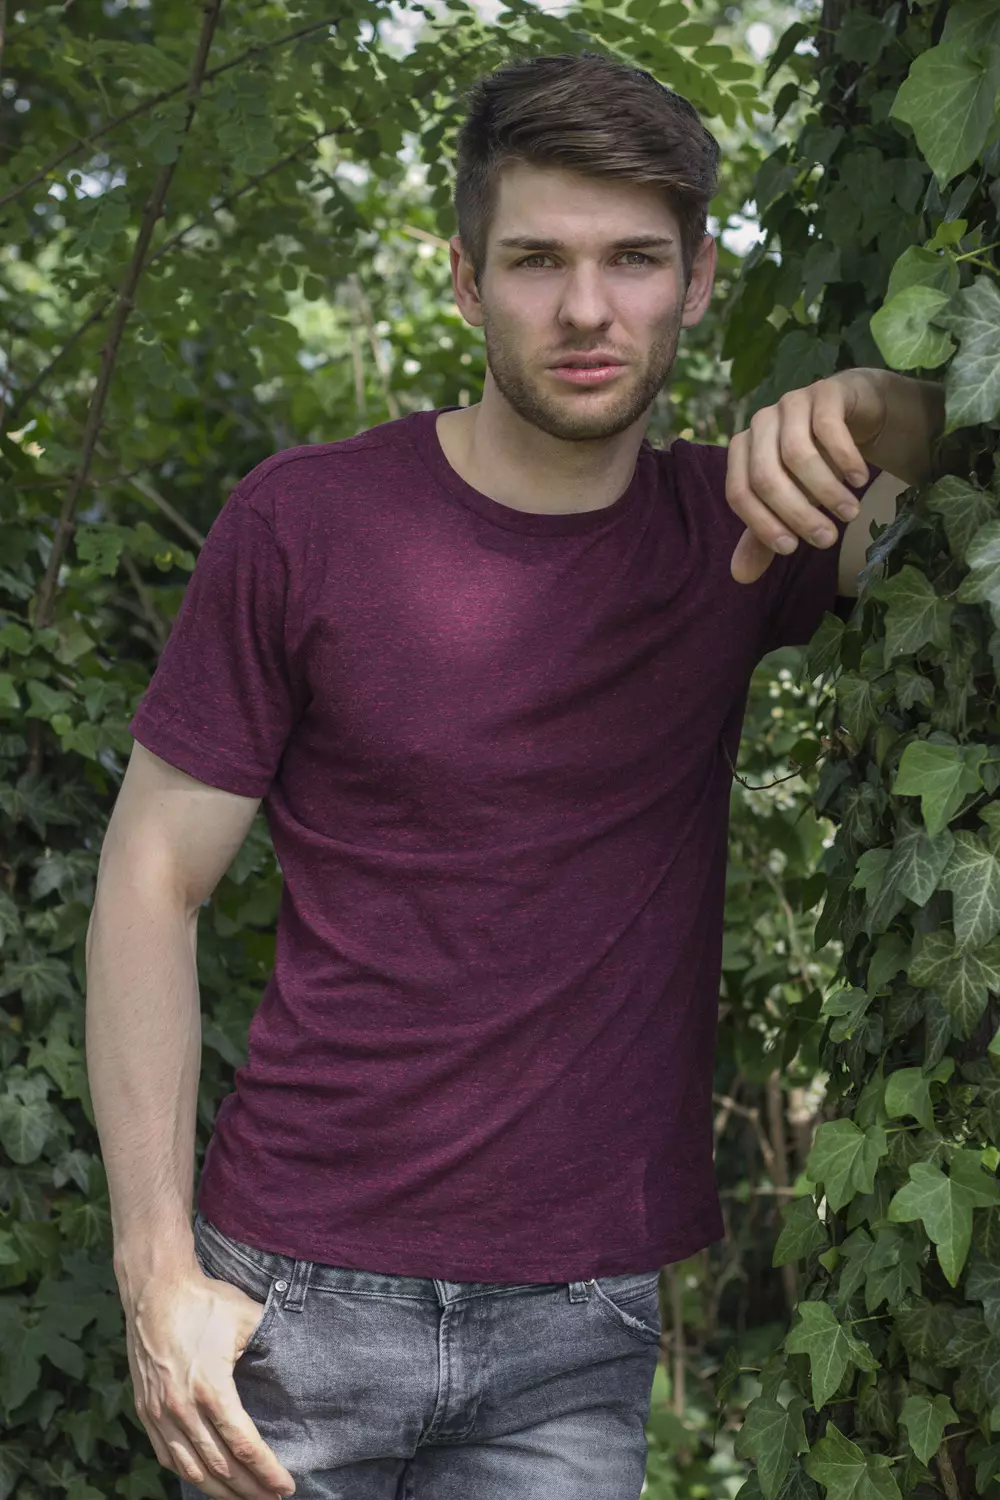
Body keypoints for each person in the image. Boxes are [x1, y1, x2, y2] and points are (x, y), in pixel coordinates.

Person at [85, 49, 943, 1500]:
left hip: (574, 1331)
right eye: (538, 260)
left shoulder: (736, 534)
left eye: (634, 260)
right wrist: (154, 1276)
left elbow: (947, 465)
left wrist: (885, 403)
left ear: (699, 277)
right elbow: (150, 882)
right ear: (468, 278)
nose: (590, 308)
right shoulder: (306, 524)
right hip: (290, 1311)